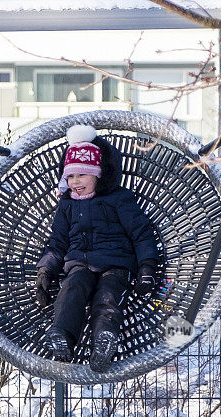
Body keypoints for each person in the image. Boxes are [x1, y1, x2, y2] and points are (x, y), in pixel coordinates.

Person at [35, 125, 160, 372]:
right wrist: (45, 273)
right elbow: (57, 242)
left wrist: (146, 267)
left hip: (115, 264)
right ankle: (62, 337)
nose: (75, 182)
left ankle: (104, 342)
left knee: (108, 296)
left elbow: (141, 233)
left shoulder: (119, 199)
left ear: (98, 175)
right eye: (70, 176)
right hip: (79, 264)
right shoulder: (67, 205)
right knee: (72, 288)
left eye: (81, 175)